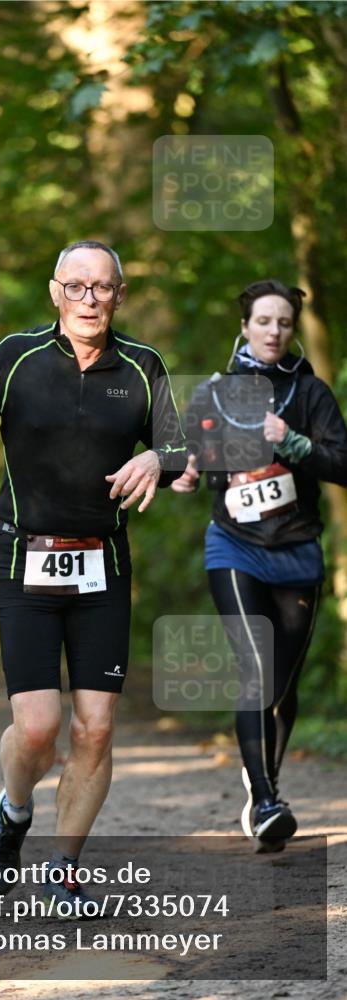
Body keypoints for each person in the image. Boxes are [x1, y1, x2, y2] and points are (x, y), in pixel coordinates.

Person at [0, 240, 185, 915]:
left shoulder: (142, 366)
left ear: (120, 294)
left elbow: (178, 445)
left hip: (103, 564)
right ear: (55, 292)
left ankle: (63, 869)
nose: (88, 299)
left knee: (95, 727)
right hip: (25, 560)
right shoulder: (17, 357)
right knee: (39, 727)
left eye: (101, 287)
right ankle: (13, 812)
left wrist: (157, 458)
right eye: (76, 286)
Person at [172, 279, 347, 852]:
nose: (274, 331)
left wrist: (292, 443)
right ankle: (268, 801)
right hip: (234, 545)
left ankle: (262, 780)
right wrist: (187, 474)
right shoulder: (214, 393)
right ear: (245, 326)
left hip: (297, 549)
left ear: (292, 331)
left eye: (284, 323)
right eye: (264, 321)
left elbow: (342, 464)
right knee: (257, 669)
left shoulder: (310, 392)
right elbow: (190, 458)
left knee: (281, 683)